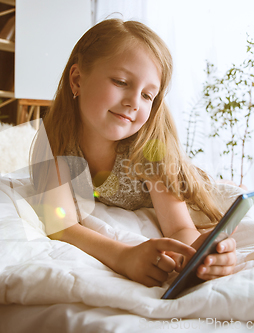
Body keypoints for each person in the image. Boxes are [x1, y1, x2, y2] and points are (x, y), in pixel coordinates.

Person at [30, 18, 236, 288]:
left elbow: (178, 227)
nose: (133, 103)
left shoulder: (149, 149)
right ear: (78, 79)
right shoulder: (55, 137)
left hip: (185, 181)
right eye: (120, 81)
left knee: (220, 189)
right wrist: (123, 256)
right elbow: (61, 224)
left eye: (148, 96)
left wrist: (200, 253)